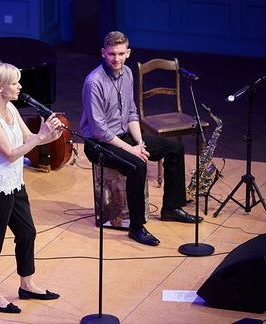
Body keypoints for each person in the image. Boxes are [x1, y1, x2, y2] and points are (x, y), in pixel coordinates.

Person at [80, 31, 203, 247]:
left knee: (174, 149)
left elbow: (131, 114)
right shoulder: (94, 82)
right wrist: (131, 150)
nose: (116, 59)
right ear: (103, 53)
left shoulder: (127, 73)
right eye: (111, 54)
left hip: (123, 135)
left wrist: (139, 143)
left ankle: (171, 208)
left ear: (128, 53)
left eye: (120, 53)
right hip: (98, 144)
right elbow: (100, 131)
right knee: (136, 165)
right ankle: (136, 227)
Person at [0, 61, 61, 314]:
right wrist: (40, 137)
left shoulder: (11, 107)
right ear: (0, 87)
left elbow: (28, 139)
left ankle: (27, 284)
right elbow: (11, 154)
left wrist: (52, 135)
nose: (19, 86)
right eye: (14, 83)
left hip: (14, 183)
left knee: (27, 233)